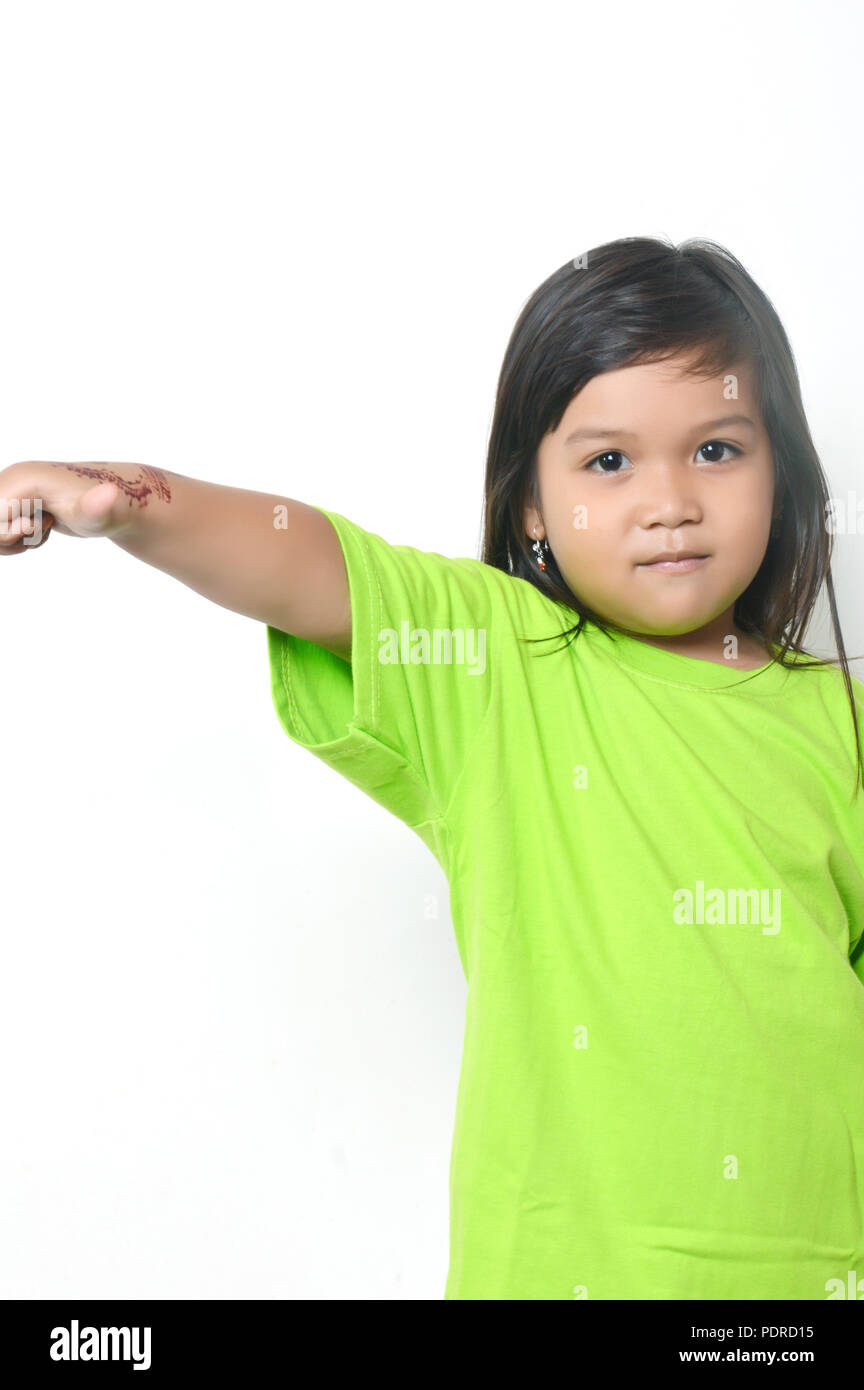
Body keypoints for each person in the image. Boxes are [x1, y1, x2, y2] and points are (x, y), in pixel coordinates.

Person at [3, 235, 863, 1301]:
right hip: (560, 1272)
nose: (670, 499)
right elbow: (311, 561)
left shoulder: (844, 722)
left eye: (718, 450)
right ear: (533, 509)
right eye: (608, 461)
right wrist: (129, 502)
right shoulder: (504, 665)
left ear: (782, 469)